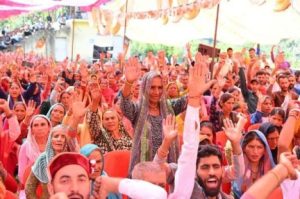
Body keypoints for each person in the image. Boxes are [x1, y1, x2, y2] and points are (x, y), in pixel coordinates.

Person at [120, 55, 215, 173]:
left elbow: (189, 98)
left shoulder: (169, 107)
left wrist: (196, 88)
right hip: (143, 169)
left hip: (167, 168)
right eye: (152, 87)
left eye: (160, 87)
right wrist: (128, 83)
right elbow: (124, 105)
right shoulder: (138, 109)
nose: (156, 92)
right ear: (144, 88)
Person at [233, 130, 275, 198]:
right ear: (244, 148)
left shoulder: (270, 168)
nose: (255, 152)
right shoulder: (238, 168)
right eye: (251, 147)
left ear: (265, 150)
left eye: (259, 147)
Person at [18, 115, 51, 186]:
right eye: (36, 125)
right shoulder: (26, 146)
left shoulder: (55, 144)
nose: (40, 128)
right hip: (31, 185)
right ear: (31, 129)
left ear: (49, 127)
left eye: (43, 124)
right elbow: (21, 175)